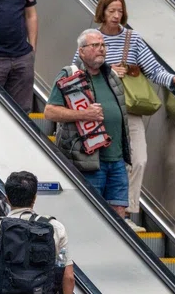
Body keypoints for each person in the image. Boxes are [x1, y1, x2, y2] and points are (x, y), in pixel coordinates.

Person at [78, 0, 175, 221]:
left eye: (120, 11)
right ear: (102, 11)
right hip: (98, 113)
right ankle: (103, 211)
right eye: (111, 11)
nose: (116, 15)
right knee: (103, 164)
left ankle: (126, 213)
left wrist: (174, 80)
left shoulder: (133, 39)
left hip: (129, 110)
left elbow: (153, 69)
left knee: (139, 159)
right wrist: (107, 70)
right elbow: (76, 72)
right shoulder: (91, 38)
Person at [45, 29, 138, 231]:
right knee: (89, 215)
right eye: (94, 45)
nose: (100, 49)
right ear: (81, 51)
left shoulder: (111, 75)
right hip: (87, 161)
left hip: (117, 160)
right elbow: (50, 112)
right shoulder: (70, 74)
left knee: (119, 216)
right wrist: (83, 115)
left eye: (102, 45)